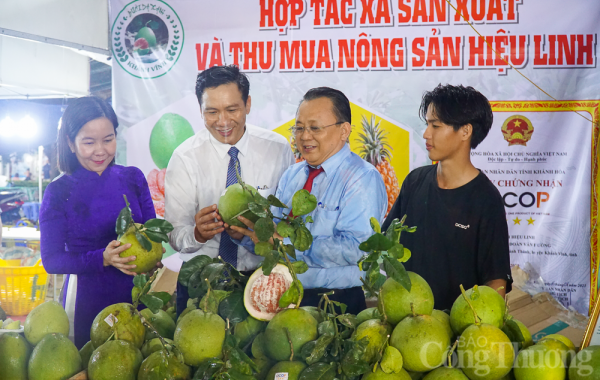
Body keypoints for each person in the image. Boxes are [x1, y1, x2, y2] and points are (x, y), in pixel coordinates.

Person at [232, 87, 387, 315]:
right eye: (299, 128)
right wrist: (245, 236)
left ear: (344, 130)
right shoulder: (291, 175)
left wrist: (288, 247)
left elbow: (358, 248)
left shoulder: (362, 178)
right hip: (285, 297)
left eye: (315, 128)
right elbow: (274, 236)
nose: (305, 136)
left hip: (336, 304)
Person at [165, 65, 294, 316]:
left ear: (247, 104)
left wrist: (265, 234)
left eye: (232, 109)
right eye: (212, 112)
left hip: (263, 279)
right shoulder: (184, 157)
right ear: (200, 110)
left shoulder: (277, 150)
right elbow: (175, 236)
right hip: (202, 282)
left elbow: (288, 222)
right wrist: (197, 234)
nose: (223, 122)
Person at [39, 96, 157, 348]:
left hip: (137, 298)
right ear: (70, 143)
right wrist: (102, 258)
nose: (101, 150)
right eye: (89, 142)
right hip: (88, 301)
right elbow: (51, 260)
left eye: (108, 139)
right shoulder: (59, 191)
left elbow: (152, 236)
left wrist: (153, 259)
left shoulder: (133, 178)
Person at [382, 84, 512, 311]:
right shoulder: (415, 181)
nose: (426, 133)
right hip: (405, 322)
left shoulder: (486, 199)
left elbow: (496, 280)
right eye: (427, 124)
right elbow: (388, 245)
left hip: (455, 331)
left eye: (436, 125)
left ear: (465, 131)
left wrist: (478, 325)